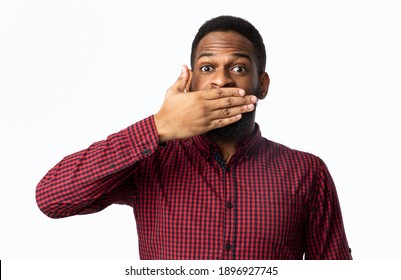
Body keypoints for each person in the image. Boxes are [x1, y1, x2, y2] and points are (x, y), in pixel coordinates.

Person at [36, 15, 352, 260]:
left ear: (262, 84)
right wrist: (158, 126)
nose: (221, 79)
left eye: (239, 68)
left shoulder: (307, 172)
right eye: (207, 67)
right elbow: (51, 198)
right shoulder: (151, 160)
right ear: (190, 83)